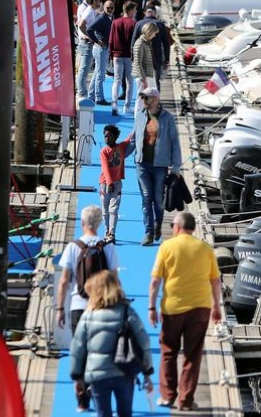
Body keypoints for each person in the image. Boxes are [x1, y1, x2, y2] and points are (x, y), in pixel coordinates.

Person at [148, 211, 222, 411]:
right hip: (200, 309)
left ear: (178, 227)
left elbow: (155, 281)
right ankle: (186, 401)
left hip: (173, 308)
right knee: (192, 354)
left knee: (168, 351)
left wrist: (152, 307)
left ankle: (167, 396)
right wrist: (217, 306)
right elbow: (215, 280)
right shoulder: (205, 248)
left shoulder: (167, 247)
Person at [58, 206, 123, 412]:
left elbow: (64, 281)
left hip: (79, 306)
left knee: (80, 352)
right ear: (100, 224)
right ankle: (99, 395)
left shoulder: (73, 247)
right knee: (101, 352)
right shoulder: (108, 247)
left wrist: (60, 307)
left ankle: (81, 398)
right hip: (102, 306)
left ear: (82, 223)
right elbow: (114, 279)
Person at [70, 270, 154, 417]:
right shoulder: (128, 312)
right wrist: (147, 372)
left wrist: (77, 376)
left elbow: (78, 349)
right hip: (125, 371)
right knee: (125, 412)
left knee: (103, 413)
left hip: (96, 374)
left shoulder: (88, 316)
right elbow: (144, 343)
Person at [133, 86, 181, 246]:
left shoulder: (167, 118)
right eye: (142, 98)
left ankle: (158, 224)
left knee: (158, 199)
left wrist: (176, 168)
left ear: (155, 99)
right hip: (141, 163)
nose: (143, 101)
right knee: (146, 198)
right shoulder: (140, 116)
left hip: (160, 165)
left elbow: (174, 142)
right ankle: (148, 232)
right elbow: (134, 139)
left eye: (146, 98)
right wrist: (118, 154)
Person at [99, 124, 135, 241]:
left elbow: (130, 137)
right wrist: (109, 183)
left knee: (113, 209)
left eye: (109, 136)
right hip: (105, 185)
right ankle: (106, 231)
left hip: (117, 184)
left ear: (115, 137)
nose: (107, 138)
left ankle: (112, 233)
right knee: (105, 211)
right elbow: (105, 168)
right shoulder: (104, 151)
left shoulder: (121, 147)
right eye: (105, 136)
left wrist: (139, 125)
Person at [109, 2, 139, 115]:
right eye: (134, 10)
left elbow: (111, 40)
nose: (135, 12)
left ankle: (114, 104)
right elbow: (135, 42)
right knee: (129, 81)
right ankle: (127, 106)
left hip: (117, 55)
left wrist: (111, 55)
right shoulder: (133, 23)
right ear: (130, 10)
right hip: (128, 56)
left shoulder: (115, 22)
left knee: (116, 80)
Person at [131, 7, 173, 87]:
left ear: (144, 12)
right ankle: (156, 99)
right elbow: (166, 44)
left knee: (142, 84)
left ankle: (146, 98)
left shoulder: (138, 24)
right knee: (155, 82)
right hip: (156, 57)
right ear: (155, 13)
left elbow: (133, 42)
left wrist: (133, 58)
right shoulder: (160, 25)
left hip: (142, 57)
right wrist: (167, 59)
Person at [85, 0, 114, 105]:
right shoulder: (102, 18)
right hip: (100, 49)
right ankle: (99, 97)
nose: (110, 10)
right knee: (100, 75)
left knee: (97, 73)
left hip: (103, 49)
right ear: (104, 8)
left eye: (111, 8)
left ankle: (91, 95)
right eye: (108, 8)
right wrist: (97, 41)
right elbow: (89, 29)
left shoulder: (109, 18)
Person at [74, 0, 99, 100]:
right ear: (94, 1)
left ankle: (82, 91)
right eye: (98, 0)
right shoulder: (89, 12)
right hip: (86, 44)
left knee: (84, 70)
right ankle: (81, 93)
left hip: (86, 43)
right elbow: (80, 24)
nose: (99, 2)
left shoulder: (90, 11)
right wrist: (87, 36)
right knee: (83, 71)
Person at [132, 22, 158, 99]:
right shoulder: (140, 43)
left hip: (148, 74)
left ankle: (148, 111)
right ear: (149, 32)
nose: (155, 35)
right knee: (141, 98)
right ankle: (138, 111)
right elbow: (137, 63)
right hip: (143, 75)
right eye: (154, 33)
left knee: (152, 95)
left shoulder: (146, 42)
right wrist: (143, 79)